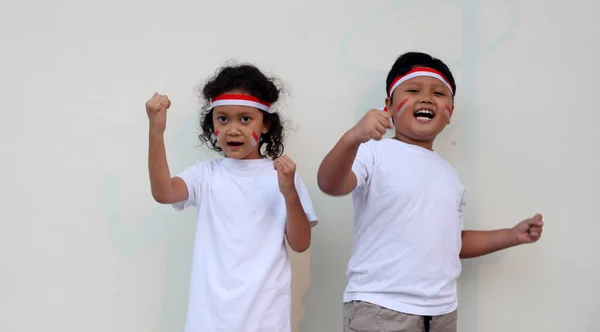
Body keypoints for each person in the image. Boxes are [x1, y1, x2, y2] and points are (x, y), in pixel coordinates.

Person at [317, 52, 544, 332]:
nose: (426, 98)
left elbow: (454, 243)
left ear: (450, 114)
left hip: (442, 313)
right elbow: (330, 184)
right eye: (413, 90)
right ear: (388, 105)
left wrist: (512, 235)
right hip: (380, 308)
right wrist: (353, 137)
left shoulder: (450, 176)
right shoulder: (372, 153)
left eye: (438, 93)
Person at [145, 62, 318, 332]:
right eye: (223, 118)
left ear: (265, 125)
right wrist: (156, 132)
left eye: (245, 119)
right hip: (209, 318)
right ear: (211, 123)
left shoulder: (282, 176)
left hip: (265, 317)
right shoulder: (205, 175)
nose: (232, 129)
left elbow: (300, 244)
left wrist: (289, 194)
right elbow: (163, 192)